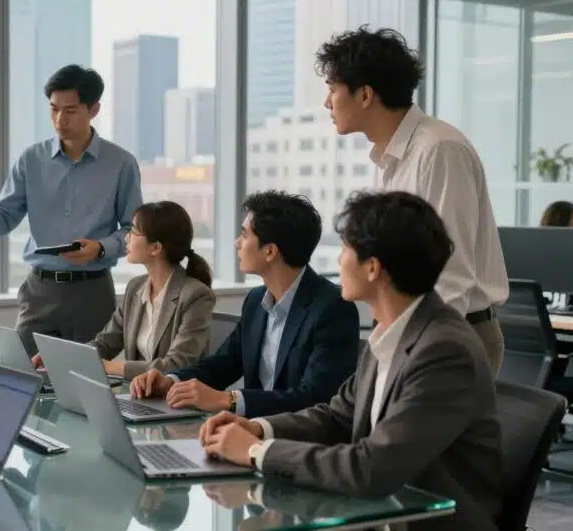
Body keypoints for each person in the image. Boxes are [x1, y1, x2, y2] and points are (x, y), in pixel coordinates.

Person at [199, 191, 502, 531]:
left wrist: (258, 451)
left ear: (373, 268)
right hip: (378, 512)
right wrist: (258, 428)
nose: (338, 260)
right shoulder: (390, 332)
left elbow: (372, 468)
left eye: (344, 249)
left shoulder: (443, 350)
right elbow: (336, 416)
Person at [317, 26, 508, 373]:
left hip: (448, 334)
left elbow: (450, 275)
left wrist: (419, 350)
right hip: (409, 330)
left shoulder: (439, 150)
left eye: (332, 90)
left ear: (365, 95)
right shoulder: (390, 157)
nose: (327, 103)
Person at [0, 64, 143, 354]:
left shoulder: (121, 164)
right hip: (40, 292)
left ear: (93, 109)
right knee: (23, 373)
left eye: (70, 110)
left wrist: (100, 248)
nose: (60, 120)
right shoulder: (31, 159)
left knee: (89, 378)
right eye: (54, 109)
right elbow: (4, 217)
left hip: (92, 293)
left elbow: (134, 230)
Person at [129, 191, 359, 418]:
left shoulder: (332, 309)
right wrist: (170, 380)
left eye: (244, 235)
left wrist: (228, 400)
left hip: (293, 435)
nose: (237, 243)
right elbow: (223, 364)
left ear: (270, 251)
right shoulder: (256, 301)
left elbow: (315, 397)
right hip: (247, 429)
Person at [31, 201, 216, 380]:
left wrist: (110, 367)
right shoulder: (135, 288)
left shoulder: (196, 296)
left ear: (155, 248)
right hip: (138, 394)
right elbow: (104, 343)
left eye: (133, 231)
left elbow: (176, 365)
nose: (126, 237)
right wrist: (61, 356)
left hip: (175, 396)